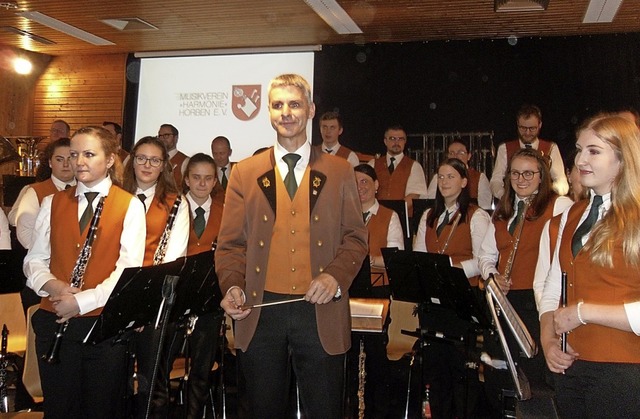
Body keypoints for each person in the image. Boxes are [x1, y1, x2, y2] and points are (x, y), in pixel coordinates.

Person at [216, 73, 368, 418]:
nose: (286, 112)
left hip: (320, 311)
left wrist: (334, 276)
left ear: (311, 110)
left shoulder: (341, 170)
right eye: (278, 105)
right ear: (269, 112)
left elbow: (356, 238)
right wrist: (232, 285)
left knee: (325, 410)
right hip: (259, 310)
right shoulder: (244, 172)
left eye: (294, 104)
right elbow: (229, 245)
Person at [23, 126, 146, 418]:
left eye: (89, 154)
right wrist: (53, 286)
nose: (78, 162)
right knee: (60, 408)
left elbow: (127, 272)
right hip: (54, 322)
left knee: (100, 409)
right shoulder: (52, 202)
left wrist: (80, 301)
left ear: (110, 160)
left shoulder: (130, 206)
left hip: (102, 327)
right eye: (74, 154)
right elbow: (34, 260)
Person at [538, 115, 640, 418]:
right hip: (572, 369)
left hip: (625, 372)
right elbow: (553, 285)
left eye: (594, 151)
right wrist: (547, 339)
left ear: (623, 159)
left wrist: (582, 312)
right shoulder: (571, 215)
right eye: (580, 149)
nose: (580, 159)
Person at [479, 148, 572, 399]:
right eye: (515, 173)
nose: (521, 179)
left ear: (542, 176)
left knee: (534, 381)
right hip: (505, 303)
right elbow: (486, 256)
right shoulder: (502, 209)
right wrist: (492, 275)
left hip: (538, 303)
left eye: (528, 173)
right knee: (500, 375)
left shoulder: (560, 205)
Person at [414, 157, 491, 417]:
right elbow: (419, 256)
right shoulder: (428, 215)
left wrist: (451, 271)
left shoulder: (476, 216)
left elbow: (483, 260)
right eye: (441, 177)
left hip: (462, 301)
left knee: (460, 370)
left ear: (464, 182)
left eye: (451, 177)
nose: (445, 182)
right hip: (434, 304)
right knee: (435, 371)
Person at [122, 136, 191, 418]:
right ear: (132, 161)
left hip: (155, 305)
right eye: (141, 158)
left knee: (153, 383)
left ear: (164, 166)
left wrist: (142, 306)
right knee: (116, 381)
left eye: (155, 160)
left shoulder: (177, 203)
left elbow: (173, 260)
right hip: (114, 300)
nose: (147, 165)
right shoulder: (115, 197)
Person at [490, 104, 568, 199]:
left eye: (532, 128)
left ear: (540, 125)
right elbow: (495, 181)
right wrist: (507, 197)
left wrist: (545, 194)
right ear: (517, 125)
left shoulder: (551, 148)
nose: (527, 133)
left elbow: (561, 182)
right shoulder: (505, 148)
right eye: (522, 128)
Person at [10, 138, 76, 249]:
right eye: (59, 160)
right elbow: (25, 232)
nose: (65, 164)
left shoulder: (87, 189)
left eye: (70, 159)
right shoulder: (35, 192)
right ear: (50, 163)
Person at [368, 125, 428, 216]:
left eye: (400, 139)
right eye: (392, 138)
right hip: (376, 216)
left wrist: (392, 214)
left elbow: (414, 196)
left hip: (403, 217)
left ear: (405, 141)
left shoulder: (414, 166)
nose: (396, 142)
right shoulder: (372, 164)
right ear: (385, 141)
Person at [426, 139, 493, 210]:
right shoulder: (438, 176)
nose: (455, 156)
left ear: (469, 156)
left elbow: (484, 207)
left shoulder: (479, 177)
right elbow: (430, 202)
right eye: (451, 153)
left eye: (460, 153)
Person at [210, 135, 235, 202]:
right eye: (215, 153)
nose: (218, 157)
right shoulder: (208, 171)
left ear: (230, 152)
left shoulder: (240, 170)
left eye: (222, 153)